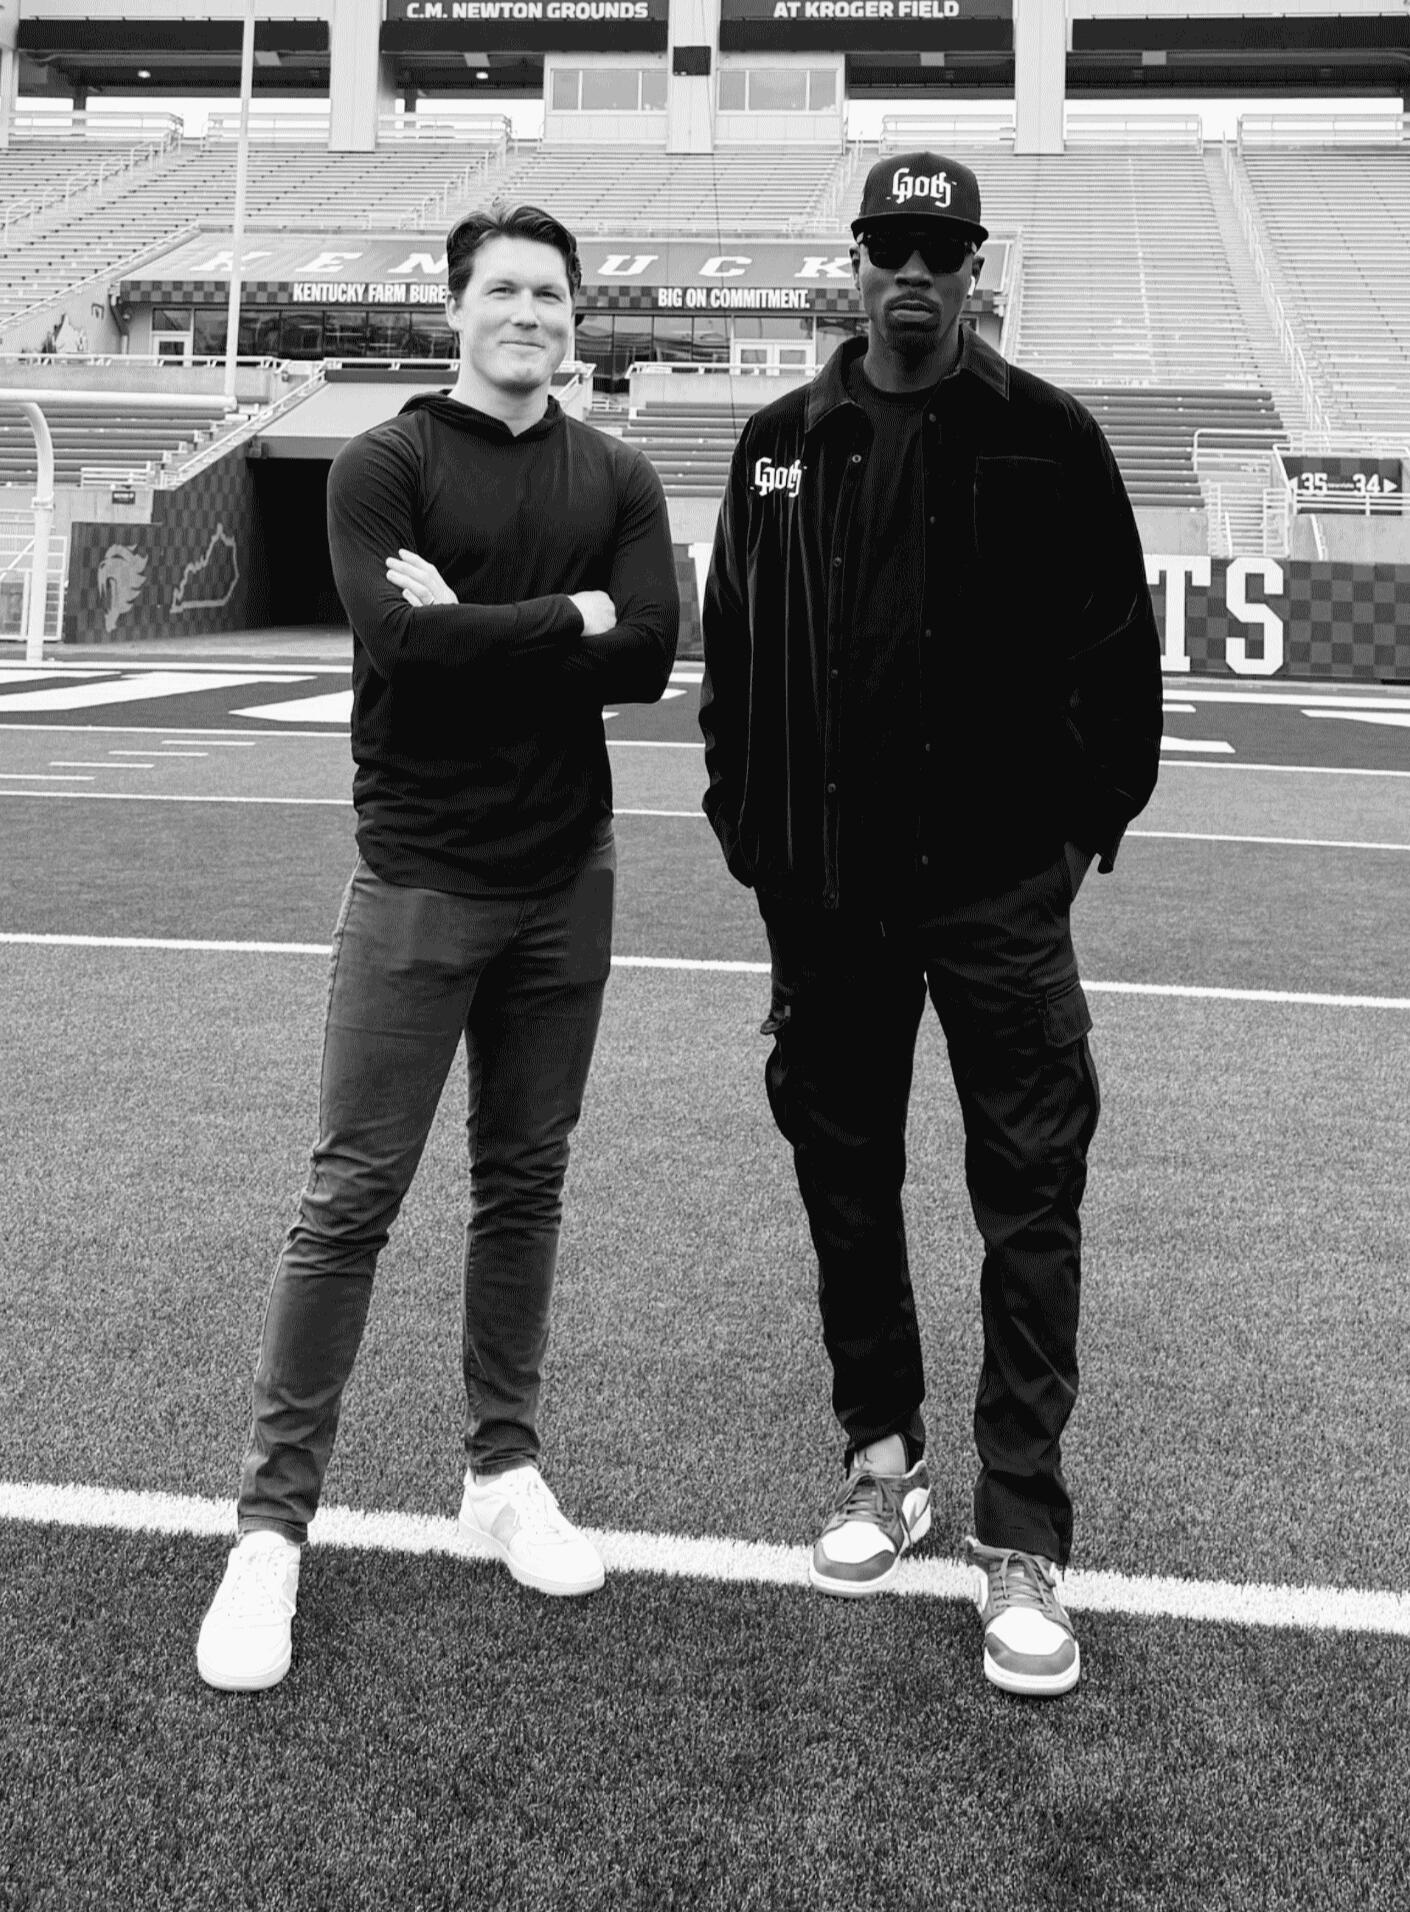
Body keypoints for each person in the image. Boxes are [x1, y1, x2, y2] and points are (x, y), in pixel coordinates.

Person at [197, 202, 679, 1691]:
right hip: (417, 876)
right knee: (349, 1199)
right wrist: (569, 618)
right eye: (502, 291)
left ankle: (501, 1472)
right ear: (454, 312)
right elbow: (402, 648)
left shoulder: (615, 469)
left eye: (550, 292)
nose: (528, 312)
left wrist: (493, 620)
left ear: (575, 315)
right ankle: (270, 1529)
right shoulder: (384, 462)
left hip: (565, 880)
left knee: (522, 1187)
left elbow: (652, 655)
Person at [699, 152, 1162, 1697]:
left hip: (993, 904)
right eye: (888, 246)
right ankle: (880, 1459)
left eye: (938, 250)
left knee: (1027, 1197)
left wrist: (1058, 854)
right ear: (852, 266)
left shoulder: (1047, 437)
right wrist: (754, 846)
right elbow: (734, 669)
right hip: (824, 902)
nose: (911, 272)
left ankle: (1019, 1534)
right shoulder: (776, 446)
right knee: (846, 1179)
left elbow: (1120, 669)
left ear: (974, 271)